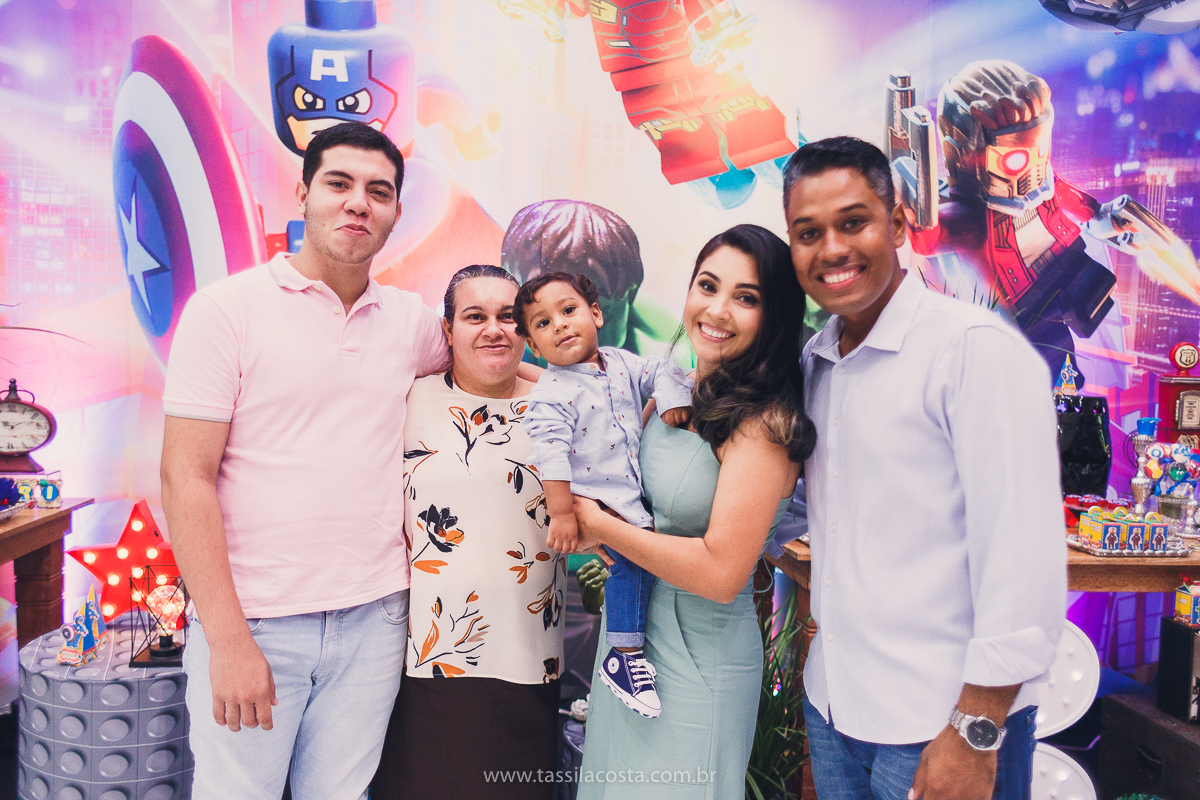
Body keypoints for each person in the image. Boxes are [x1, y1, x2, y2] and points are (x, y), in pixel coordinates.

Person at [160, 122, 449, 800]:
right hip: (255, 621)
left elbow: (491, 368)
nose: (358, 203)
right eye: (339, 184)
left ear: (395, 215)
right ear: (302, 194)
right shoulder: (226, 312)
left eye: (378, 191)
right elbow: (185, 479)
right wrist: (228, 640)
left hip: (375, 617)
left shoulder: (410, 323)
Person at [783, 136, 1066, 800]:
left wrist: (975, 730)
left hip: (942, 719)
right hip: (835, 708)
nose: (832, 249)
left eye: (853, 222)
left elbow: (1023, 559)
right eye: (808, 232)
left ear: (900, 221)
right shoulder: (816, 362)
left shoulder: (973, 352)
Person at [572, 224, 816, 799]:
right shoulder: (673, 394)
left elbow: (721, 573)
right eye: (708, 286)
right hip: (629, 641)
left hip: (696, 653)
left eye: (746, 297)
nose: (718, 309)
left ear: (775, 316)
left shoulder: (764, 426)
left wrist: (603, 526)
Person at [370, 265, 566, 800]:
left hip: (528, 657)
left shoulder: (559, 407)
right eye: (475, 316)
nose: (493, 329)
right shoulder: (410, 399)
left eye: (508, 316)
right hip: (426, 660)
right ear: (448, 327)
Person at [513, 272, 694, 719]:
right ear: (535, 347)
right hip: (602, 505)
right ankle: (624, 655)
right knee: (630, 568)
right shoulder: (552, 394)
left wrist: (671, 397)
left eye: (568, 310)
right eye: (542, 323)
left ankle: (636, 649)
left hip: (634, 499)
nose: (559, 324)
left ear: (595, 313)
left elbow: (660, 370)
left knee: (647, 570)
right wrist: (563, 515)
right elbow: (550, 456)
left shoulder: (619, 363)